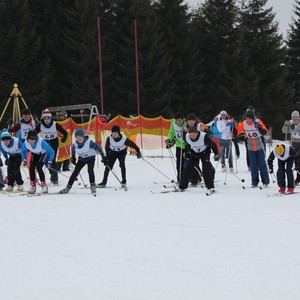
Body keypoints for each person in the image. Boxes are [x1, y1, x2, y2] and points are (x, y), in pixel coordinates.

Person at [60, 128, 106, 195]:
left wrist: (103, 156)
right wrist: (73, 158)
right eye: (77, 137)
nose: (79, 138)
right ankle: (68, 188)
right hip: (82, 159)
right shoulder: (75, 144)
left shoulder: (89, 143)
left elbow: (98, 148)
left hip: (90, 158)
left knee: (90, 170)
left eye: (80, 136)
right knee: (75, 172)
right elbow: (73, 151)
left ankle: (93, 186)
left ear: (83, 136)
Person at [178, 126, 220, 194]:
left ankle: (210, 187)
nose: (192, 137)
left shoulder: (204, 136)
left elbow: (213, 145)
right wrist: (187, 152)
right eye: (191, 135)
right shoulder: (186, 136)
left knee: (206, 168)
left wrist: (216, 154)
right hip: (194, 153)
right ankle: (182, 186)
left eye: (194, 135)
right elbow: (187, 145)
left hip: (204, 153)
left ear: (197, 133)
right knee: (188, 168)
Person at [236, 109, 270, 188]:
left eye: (249, 119)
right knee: (253, 165)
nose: (247, 120)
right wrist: (233, 128)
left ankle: (265, 181)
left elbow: (265, 132)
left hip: (260, 145)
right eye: (246, 118)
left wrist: (259, 128)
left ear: (253, 118)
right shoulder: (244, 123)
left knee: (262, 164)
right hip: (251, 146)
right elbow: (237, 131)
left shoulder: (258, 122)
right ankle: (254, 181)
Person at [35, 109, 68, 185]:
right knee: (44, 161)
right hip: (45, 143)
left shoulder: (55, 124)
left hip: (53, 143)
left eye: (48, 118)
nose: (46, 120)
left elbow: (65, 133)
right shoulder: (40, 125)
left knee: (52, 161)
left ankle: (54, 179)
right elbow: (34, 132)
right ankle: (49, 175)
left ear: (50, 118)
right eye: (45, 118)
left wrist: (63, 138)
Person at [165, 112, 187, 182]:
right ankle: (180, 178)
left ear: (183, 119)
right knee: (179, 163)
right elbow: (171, 133)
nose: (179, 123)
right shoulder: (173, 124)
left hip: (187, 146)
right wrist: (169, 139)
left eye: (180, 121)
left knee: (188, 163)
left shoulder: (187, 124)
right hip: (179, 145)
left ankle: (193, 178)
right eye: (177, 121)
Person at [282, 110, 300, 185]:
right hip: (293, 143)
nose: (295, 120)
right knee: (292, 160)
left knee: (299, 161)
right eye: (294, 119)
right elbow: (284, 131)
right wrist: (285, 125)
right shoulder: (290, 122)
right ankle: (292, 179)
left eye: (297, 119)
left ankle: (298, 179)